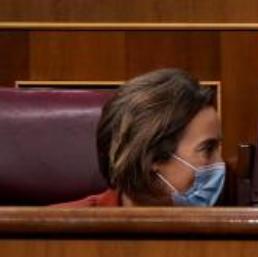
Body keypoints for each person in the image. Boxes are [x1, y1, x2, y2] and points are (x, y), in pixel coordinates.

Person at [54, 68, 224, 207]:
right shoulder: (54, 233)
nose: (221, 165)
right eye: (207, 149)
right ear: (152, 157)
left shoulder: (231, 238)